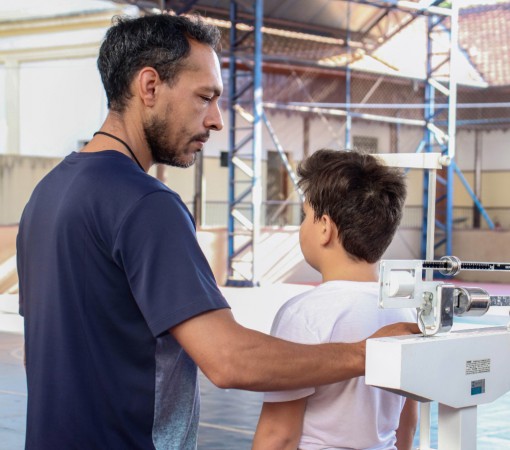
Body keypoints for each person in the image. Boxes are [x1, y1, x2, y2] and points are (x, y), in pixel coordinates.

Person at [16, 14, 419, 450]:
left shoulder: (47, 194)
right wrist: (367, 354)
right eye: (205, 97)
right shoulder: (145, 204)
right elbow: (229, 361)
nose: (216, 121)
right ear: (149, 87)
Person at [252, 149, 418, 450]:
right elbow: (406, 421)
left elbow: (279, 432)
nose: (303, 226)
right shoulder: (405, 312)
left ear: (325, 228)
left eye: (305, 216)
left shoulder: (303, 314)